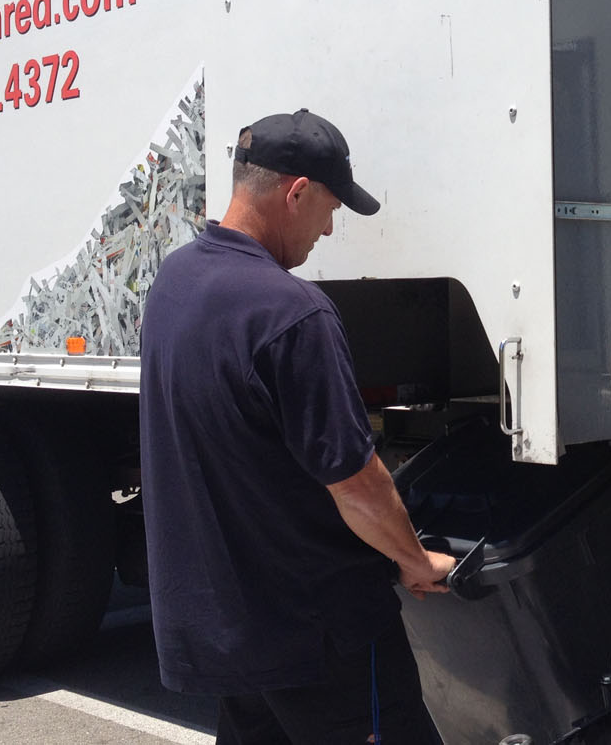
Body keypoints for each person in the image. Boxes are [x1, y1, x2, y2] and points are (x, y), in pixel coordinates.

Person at [139, 108, 457, 744]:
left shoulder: (171, 285)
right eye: (331, 208)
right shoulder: (292, 313)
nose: (331, 229)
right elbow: (358, 485)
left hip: (234, 634)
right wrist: (414, 558)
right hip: (319, 636)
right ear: (297, 192)